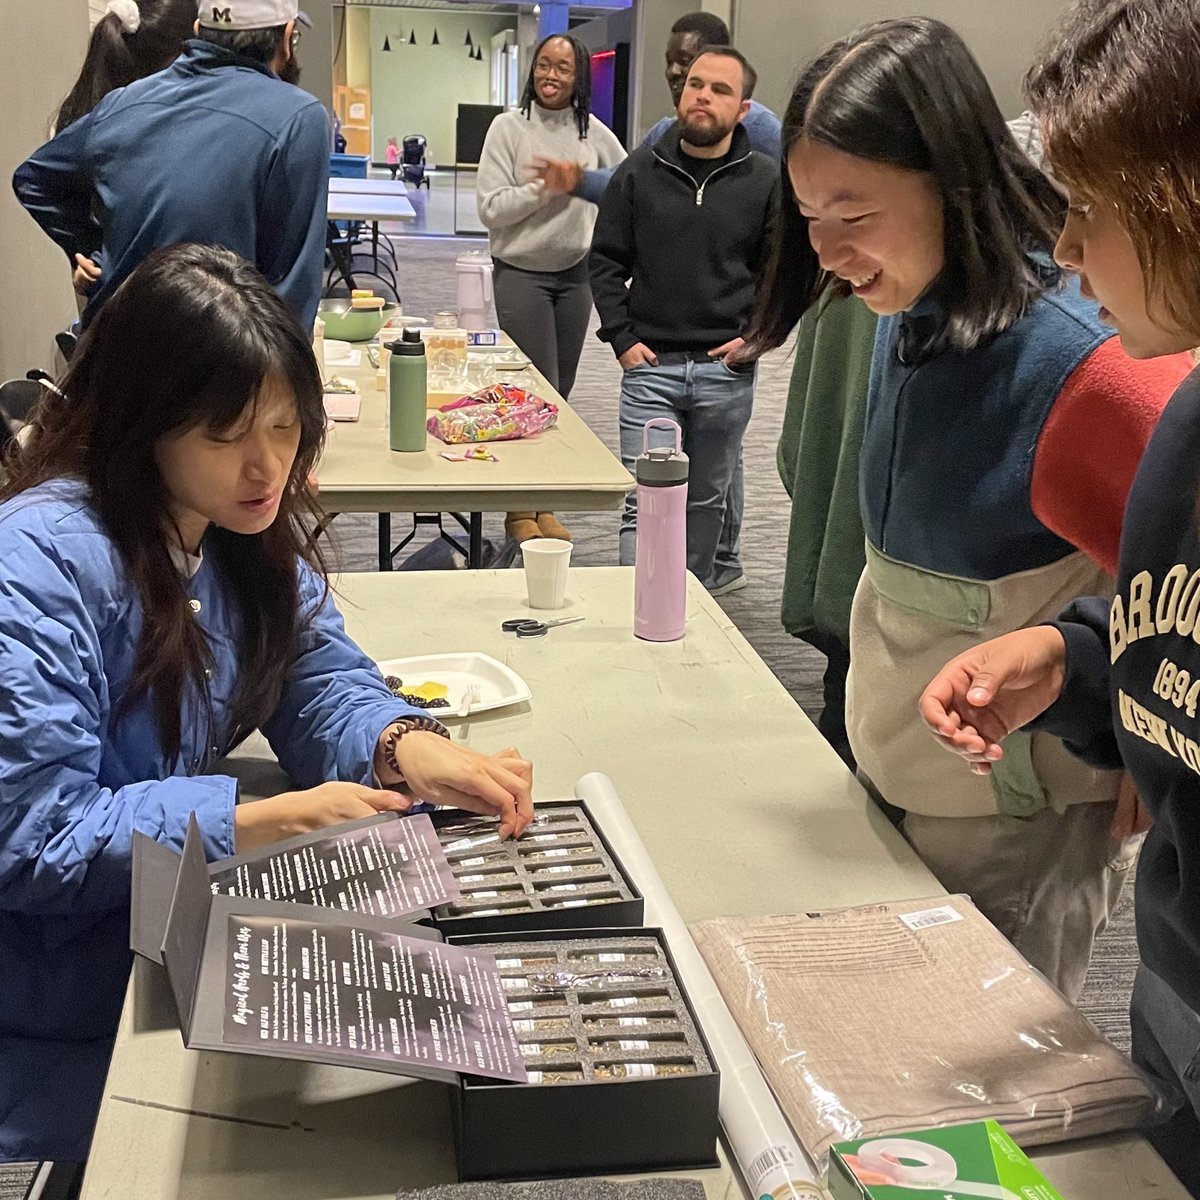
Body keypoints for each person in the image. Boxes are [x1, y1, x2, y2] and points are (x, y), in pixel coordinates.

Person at [0, 243, 533, 1165]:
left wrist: (402, 742)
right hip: (51, 1004)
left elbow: (316, 673)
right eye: (227, 434)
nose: (266, 465)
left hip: (161, 951)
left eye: (287, 428)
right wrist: (251, 819)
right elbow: (34, 838)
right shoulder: (40, 561)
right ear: (141, 422)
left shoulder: (234, 529)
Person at [741, 16, 1191, 999]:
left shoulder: (1085, 361)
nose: (826, 250)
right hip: (911, 776)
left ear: (949, 181)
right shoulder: (911, 312)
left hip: (1018, 819)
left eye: (852, 214)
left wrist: (1135, 741)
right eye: (810, 215)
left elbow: (1173, 593)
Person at [918, 0, 1200, 1187]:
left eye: (1091, 209)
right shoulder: (1187, 419)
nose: (1069, 249)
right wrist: (1072, 661)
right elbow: (1169, 624)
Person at [539, 10, 779, 595]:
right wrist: (621, 339)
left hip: (726, 373)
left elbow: (781, 273)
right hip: (651, 371)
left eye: (719, 90)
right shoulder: (641, 170)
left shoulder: (766, 179)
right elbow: (606, 259)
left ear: (742, 110)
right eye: (695, 84)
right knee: (643, 504)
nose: (701, 96)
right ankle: (636, 610)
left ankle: (689, 617)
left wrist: (757, 338)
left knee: (705, 505)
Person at [12, 0, 328, 331]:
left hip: (112, 350)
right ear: (288, 38)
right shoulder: (298, 117)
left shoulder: (121, 103)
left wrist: (95, 249)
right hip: (221, 355)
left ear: (197, 31)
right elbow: (295, 284)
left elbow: (34, 179)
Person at [477, 33, 625, 545]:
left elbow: (629, 192)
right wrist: (549, 189)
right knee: (531, 393)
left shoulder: (596, 136)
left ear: (578, 77)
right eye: (544, 65)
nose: (551, 75)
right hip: (521, 274)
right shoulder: (508, 129)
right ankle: (521, 508)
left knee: (558, 396)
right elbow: (491, 209)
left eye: (563, 68)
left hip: (575, 276)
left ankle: (543, 501)